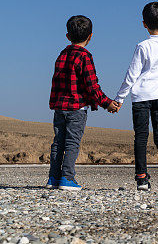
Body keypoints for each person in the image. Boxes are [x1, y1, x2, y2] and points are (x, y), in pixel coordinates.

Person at [114, 1, 158, 191]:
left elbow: (131, 74)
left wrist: (119, 98)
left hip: (141, 97)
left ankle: (142, 179)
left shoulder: (142, 46)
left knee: (141, 137)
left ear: (144, 24)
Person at [48, 15, 119, 191]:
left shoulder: (61, 55)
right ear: (90, 36)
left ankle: (53, 178)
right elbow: (92, 86)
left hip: (59, 107)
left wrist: (54, 102)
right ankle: (67, 178)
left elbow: (55, 81)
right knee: (72, 142)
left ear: (67, 36)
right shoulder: (85, 57)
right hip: (76, 108)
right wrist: (107, 103)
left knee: (58, 142)